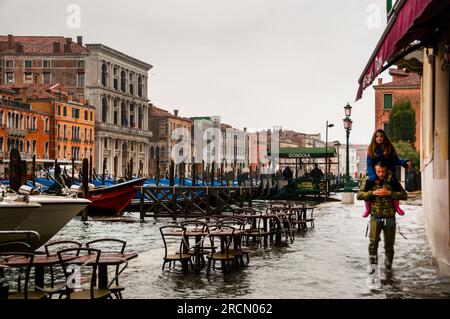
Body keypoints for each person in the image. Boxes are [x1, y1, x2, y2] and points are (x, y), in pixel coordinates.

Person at [357, 161, 407, 270]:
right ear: (375, 170)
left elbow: (404, 195)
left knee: (389, 245)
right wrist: (372, 193)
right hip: (375, 216)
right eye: (378, 171)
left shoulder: (392, 180)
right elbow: (359, 195)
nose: (381, 174)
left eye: (383, 171)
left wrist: (390, 193)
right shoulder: (370, 180)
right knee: (373, 243)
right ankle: (373, 267)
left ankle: (388, 268)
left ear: (386, 170)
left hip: (389, 217)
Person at [362, 129, 411, 218]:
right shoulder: (371, 148)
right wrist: (373, 177)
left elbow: (396, 160)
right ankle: (367, 208)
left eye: (381, 136)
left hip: (389, 173)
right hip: (374, 173)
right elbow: (369, 163)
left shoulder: (390, 147)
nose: (379, 138)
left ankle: (397, 206)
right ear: (374, 138)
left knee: (396, 188)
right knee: (367, 188)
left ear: (384, 137)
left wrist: (404, 163)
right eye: (377, 136)